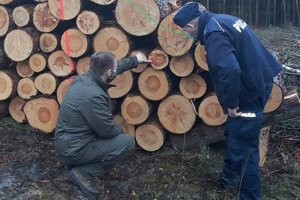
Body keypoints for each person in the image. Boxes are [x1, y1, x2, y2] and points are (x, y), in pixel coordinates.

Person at [173, 2, 282, 200]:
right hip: (260, 80)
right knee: (234, 130)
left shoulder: (214, 33)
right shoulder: (224, 20)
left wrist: (232, 104)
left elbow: (230, 70)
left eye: (186, 31)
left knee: (246, 147)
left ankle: (249, 195)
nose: (188, 35)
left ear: (190, 27)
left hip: (249, 93)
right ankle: (229, 176)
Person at [55, 51, 151, 198]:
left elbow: (114, 68)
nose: (116, 69)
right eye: (114, 67)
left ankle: (79, 162)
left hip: (67, 142)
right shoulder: (93, 95)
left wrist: (136, 60)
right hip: (73, 149)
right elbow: (107, 131)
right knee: (126, 142)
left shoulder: (84, 79)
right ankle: (82, 173)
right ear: (109, 72)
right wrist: (120, 129)